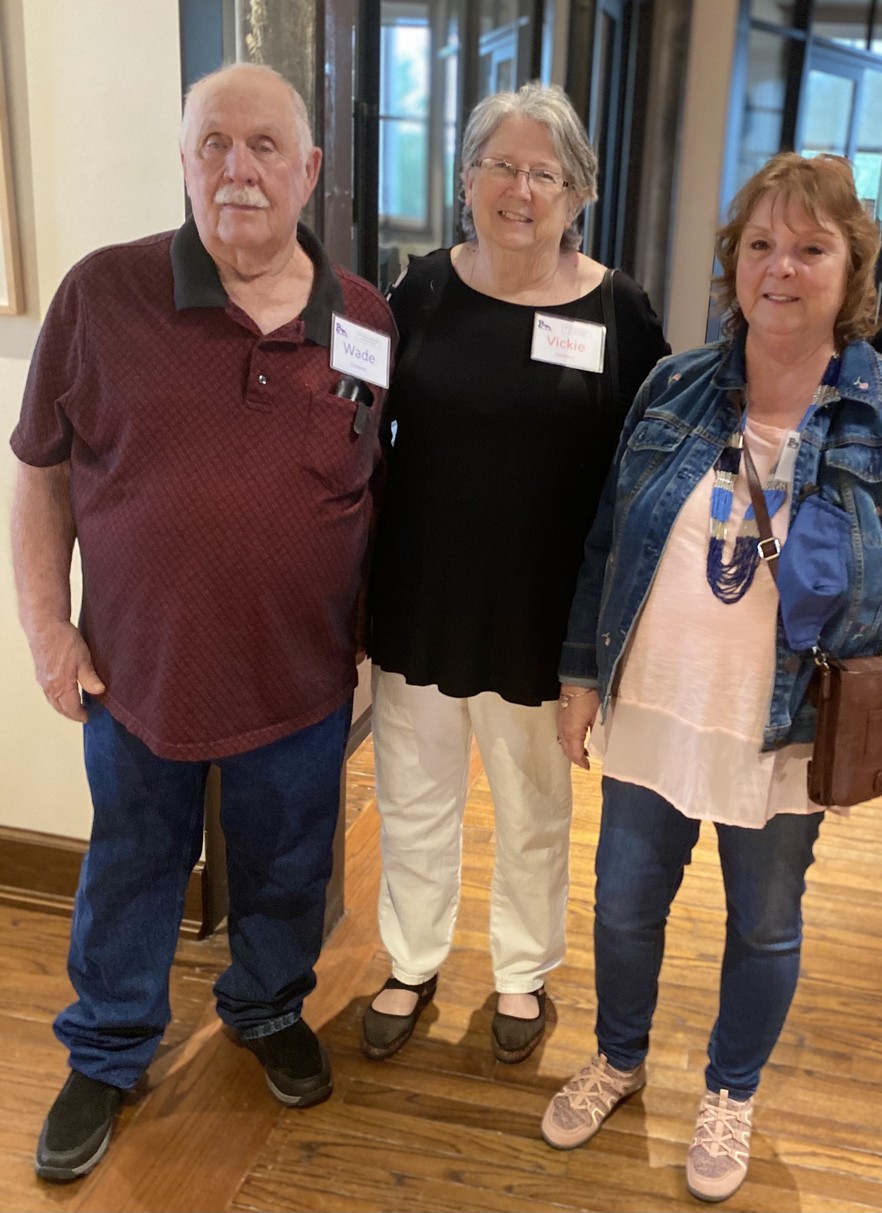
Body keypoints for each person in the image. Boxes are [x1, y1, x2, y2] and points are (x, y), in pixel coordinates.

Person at [540, 153, 882, 1202]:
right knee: (622, 907)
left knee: (766, 921)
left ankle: (729, 1091)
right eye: (760, 245)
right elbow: (606, 541)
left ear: (851, 268)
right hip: (658, 704)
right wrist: (579, 674)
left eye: (810, 248)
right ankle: (618, 1056)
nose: (780, 267)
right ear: (733, 260)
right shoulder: (673, 386)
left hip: (786, 727)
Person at [10, 63, 394, 1182]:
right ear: (183, 163)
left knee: (289, 862)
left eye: (265, 146)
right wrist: (47, 629)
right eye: (213, 144)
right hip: (139, 674)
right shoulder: (100, 294)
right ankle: (109, 1047)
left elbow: (376, 481)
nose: (239, 169)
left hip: (300, 676)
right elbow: (38, 472)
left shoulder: (363, 318)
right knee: (133, 866)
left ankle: (267, 1005)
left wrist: (371, 639)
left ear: (307, 169)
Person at [361, 82, 669, 1065]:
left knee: (534, 805)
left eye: (545, 172)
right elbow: (359, 432)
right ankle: (411, 959)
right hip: (421, 596)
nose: (521, 189)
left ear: (578, 194)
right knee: (413, 795)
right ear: (466, 179)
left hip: (545, 613)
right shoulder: (419, 290)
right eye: (501, 165)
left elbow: (650, 468)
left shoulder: (618, 309)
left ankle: (522, 971)